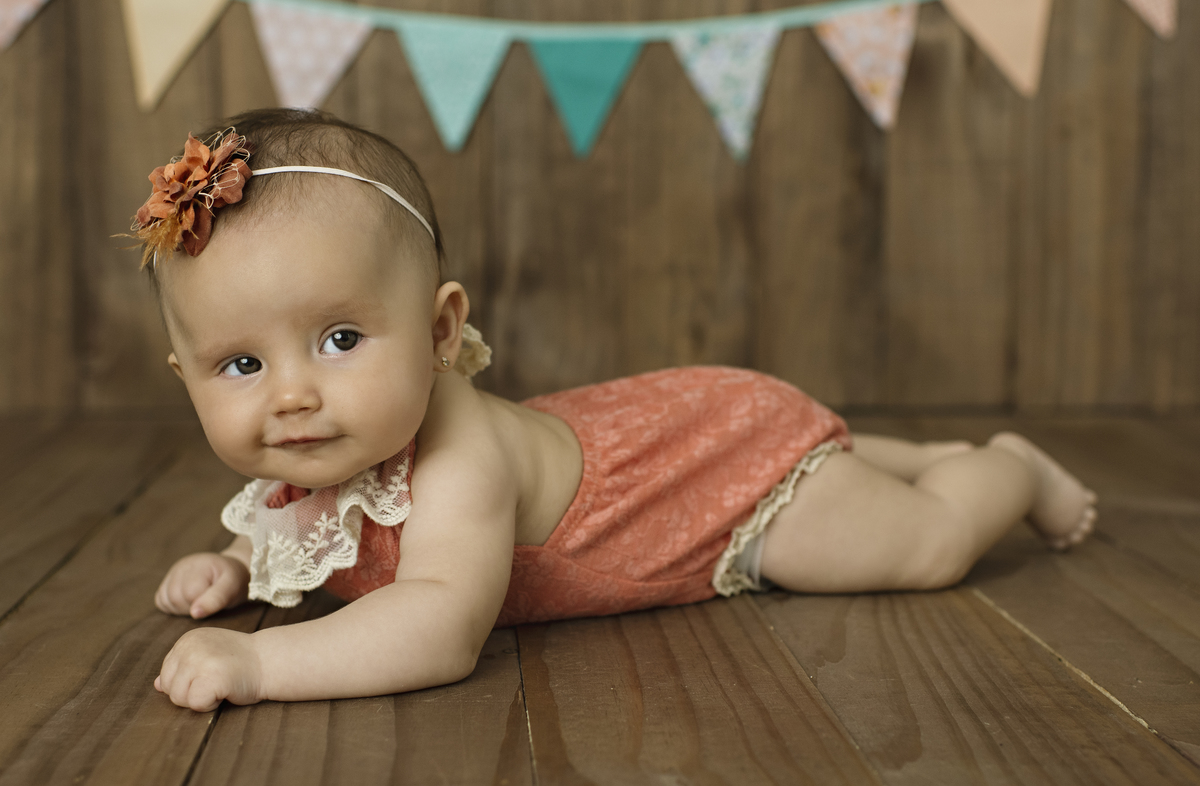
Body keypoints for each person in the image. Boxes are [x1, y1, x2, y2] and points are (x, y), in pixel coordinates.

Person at [143, 109, 1096, 713]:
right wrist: (235, 565)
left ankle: (1002, 466)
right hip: (645, 424)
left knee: (916, 547)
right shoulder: (316, 439)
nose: (291, 393)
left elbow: (437, 624)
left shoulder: (457, 461)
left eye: (341, 338)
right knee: (841, 459)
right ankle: (901, 451)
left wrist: (263, 667)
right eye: (238, 363)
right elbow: (308, 525)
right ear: (186, 376)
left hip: (708, 482)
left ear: (440, 332)